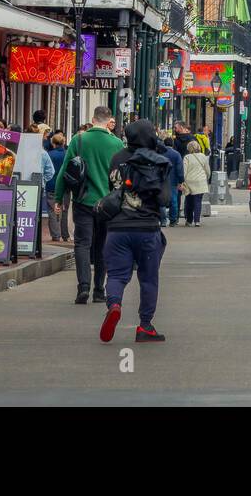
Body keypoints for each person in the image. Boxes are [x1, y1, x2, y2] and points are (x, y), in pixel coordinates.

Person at [99, 119, 170, 344]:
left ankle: (115, 304)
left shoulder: (117, 158)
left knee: (117, 275)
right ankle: (145, 326)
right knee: (148, 278)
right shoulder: (158, 161)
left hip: (117, 228)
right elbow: (165, 199)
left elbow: (112, 188)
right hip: (147, 228)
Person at [59, 105, 123, 304]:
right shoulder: (117, 143)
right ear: (109, 121)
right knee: (103, 245)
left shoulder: (79, 140)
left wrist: (59, 197)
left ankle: (83, 286)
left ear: (93, 120)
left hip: (83, 200)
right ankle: (98, 290)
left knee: (82, 243)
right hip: (107, 203)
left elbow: (65, 171)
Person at [180, 138, 210, 227]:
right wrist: (207, 178)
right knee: (198, 201)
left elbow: (184, 171)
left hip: (189, 182)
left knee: (189, 202)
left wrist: (182, 181)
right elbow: (207, 170)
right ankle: (197, 221)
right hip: (200, 181)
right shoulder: (203, 156)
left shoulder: (187, 157)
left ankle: (189, 220)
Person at [46, 132, 69, 242]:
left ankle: (55, 235)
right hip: (65, 185)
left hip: (51, 185)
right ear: (63, 142)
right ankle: (65, 234)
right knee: (64, 210)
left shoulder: (49, 154)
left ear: (53, 143)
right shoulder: (67, 154)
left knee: (52, 210)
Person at [158, 132, 184, 227]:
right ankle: (173, 220)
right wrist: (181, 181)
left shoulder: (160, 153)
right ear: (172, 144)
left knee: (162, 200)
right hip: (173, 180)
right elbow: (179, 169)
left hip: (161, 179)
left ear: (164, 144)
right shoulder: (176, 154)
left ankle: (163, 220)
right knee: (173, 200)